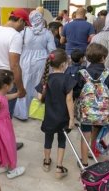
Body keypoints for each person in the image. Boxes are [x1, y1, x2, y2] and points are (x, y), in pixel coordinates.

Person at [0, 8, 30, 150]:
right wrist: (20, 88)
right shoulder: (15, 36)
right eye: (25, 24)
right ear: (20, 20)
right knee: (5, 117)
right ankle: (5, 145)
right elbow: (14, 65)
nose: (24, 28)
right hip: (6, 82)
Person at [36, 48, 76, 179]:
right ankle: (59, 167)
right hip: (63, 118)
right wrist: (71, 119)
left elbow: (39, 97)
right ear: (64, 64)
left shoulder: (46, 78)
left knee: (48, 139)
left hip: (49, 117)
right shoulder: (67, 79)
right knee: (61, 141)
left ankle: (47, 162)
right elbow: (69, 100)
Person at [13, 10, 55, 120]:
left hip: (25, 62)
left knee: (25, 85)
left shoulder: (24, 32)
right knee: (38, 86)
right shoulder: (47, 33)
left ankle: (22, 113)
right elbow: (52, 50)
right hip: (41, 62)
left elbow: (18, 47)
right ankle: (35, 112)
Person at [77, 43, 109, 163]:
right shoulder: (108, 73)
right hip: (102, 111)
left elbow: (78, 91)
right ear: (103, 57)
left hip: (87, 111)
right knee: (97, 129)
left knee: (85, 133)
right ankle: (92, 152)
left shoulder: (83, 72)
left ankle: (84, 161)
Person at [0, 69, 26, 179]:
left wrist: (16, 94)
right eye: (12, 82)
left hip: (3, 125)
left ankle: (2, 164)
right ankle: (12, 170)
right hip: (1, 128)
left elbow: (5, 98)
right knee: (9, 145)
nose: (13, 84)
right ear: (6, 86)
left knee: (0, 146)